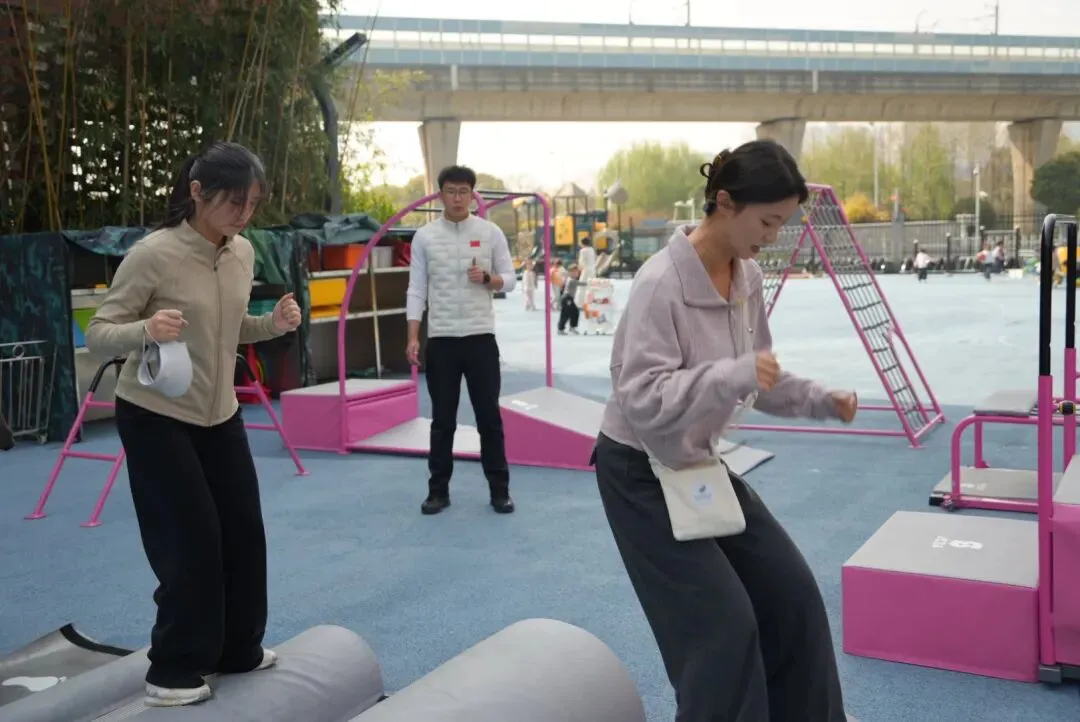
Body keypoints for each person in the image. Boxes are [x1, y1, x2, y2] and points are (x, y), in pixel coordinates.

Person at [592, 139, 858, 722]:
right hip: (638, 471)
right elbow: (643, 400)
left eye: (783, 224)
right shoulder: (660, 283)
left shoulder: (747, 278)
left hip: (695, 462)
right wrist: (731, 374)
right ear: (726, 203)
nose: (773, 236)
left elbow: (758, 376)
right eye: (767, 221)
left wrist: (821, 399)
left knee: (793, 597)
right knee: (721, 630)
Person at [85, 142, 302, 707]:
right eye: (233, 202)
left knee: (244, 533)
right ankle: (173, 667)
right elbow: (99, 333)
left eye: (252, 204)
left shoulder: (242, 252)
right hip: (156, 415)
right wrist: (146, 329)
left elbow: (230, 328)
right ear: (198, 191)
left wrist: (272, 325)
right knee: (192, 540)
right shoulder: (153, 254)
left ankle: (236, 648)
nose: (243, 215)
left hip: (220, 413)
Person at [405, 165, 517, 516]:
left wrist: (489, 279)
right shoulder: (424, 237)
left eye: (463, 191)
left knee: (489, 418)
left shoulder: (490, 232)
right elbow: (416, 289)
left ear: (472, 195)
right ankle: (438, 491)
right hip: (442, 341)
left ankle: (500, 491)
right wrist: (413, 335)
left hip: (481, 338)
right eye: (451, 191)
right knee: (442, 421)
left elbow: (511, 278)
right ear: (440, 194)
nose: (457, 198)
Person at [558, 265, 582, 335]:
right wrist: (590, 282)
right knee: (566, 314)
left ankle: (571, 327)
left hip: (569, 298)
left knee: (574, 312)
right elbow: (581, 284)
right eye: (574, 272)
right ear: (570, 273)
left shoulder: (571, 279)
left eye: (577, 272)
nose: (576, 274)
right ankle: (561, 329)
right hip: (567, 298)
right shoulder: (571, 280)